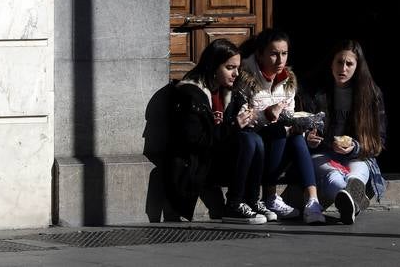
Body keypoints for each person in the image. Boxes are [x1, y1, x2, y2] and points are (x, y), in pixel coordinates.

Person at [165, 37, 276, 225]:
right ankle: (233, 204)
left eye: (237, 68)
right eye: (230, 68)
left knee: (254, 138)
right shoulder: (191, 94)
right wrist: (233, 126)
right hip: (198, 164)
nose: (236, 74)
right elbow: (196, 140)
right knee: (248, 140)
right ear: (213, 66)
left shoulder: (228, 91)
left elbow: (229, 128)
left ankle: (251, 200)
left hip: (220, 159)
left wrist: (246, 118)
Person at [238, 28, 326, 224]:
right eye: (273, 54)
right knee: (278, 130)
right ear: (260, 54)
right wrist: (269, 113)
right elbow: (243, 119)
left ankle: (312, 201)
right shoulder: (244, 78)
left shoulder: (288, 80)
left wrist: (302, 129)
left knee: (295, 137)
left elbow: (290, 116)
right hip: (254, 150)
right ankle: (269, 196)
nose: (280, 61)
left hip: (280, 146)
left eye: (284, 54)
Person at [301, 39, 387, 225]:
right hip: (323, 152)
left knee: (358, 172)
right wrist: (309, 138)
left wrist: (355, 147)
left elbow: (379, 140)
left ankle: (350, 197)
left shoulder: (371, 95)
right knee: (332, 175)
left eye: (349, 64)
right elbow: (303, 124)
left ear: (358, 67)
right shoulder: (316, 92)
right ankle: (351, 201)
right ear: (331, 63)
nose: (343, 68)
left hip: (357, 154)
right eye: (339, 62)